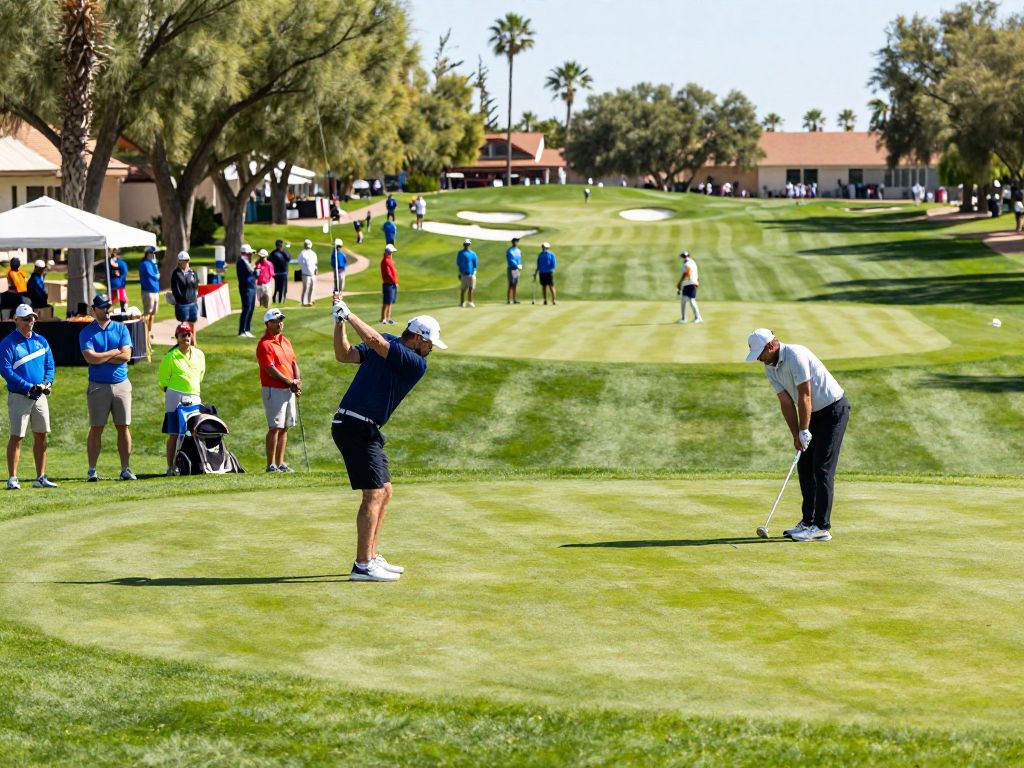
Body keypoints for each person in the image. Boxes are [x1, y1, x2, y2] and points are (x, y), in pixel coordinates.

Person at [329, 297, 447, 581]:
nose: (431, 349)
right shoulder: (389, 344)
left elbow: (376, 343)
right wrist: (339, 322)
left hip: (365, 428)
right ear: (419, 339)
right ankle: (362, 565)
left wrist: (350, 314)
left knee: (386, 490)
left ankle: (370, 554)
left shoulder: (414, 363)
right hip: (353, 425)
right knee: (374, 493)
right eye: (430, 343)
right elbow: (344, 354)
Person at [745, 329, 851, 542]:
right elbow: (786, 402)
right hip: (811, 413)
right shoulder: (770, 367)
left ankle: (821, 527)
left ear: (771, 346)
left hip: (832, 411)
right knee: (804, 466)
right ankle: (808, 521)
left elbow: (805, 395)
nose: (758, 358)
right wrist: (796, 435)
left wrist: (804, 429)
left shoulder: (796, 355)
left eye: (760, 353)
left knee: (822, 468)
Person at [80, 293, 136, 482]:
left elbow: (126, 356)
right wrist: (113, 352)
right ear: (94, 310)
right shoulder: (87, 332)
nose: (107, 310)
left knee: (123, 426)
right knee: (96, 428)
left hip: (121, 385)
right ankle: (92, 470)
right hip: (98, 386)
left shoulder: (121, 329)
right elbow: (90, 358)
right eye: (103, 307)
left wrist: (102, 356)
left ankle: (125, 468)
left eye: (108, 306)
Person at [1, 304, 57, 490]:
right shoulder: (8, 343)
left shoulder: (41, 341)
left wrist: (47, 383)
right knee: (17, 436)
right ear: (16, 320)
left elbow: (50, 365)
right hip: (19, 396)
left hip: (40, 396)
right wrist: (28, 386)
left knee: (41, 436)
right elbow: (6, 371)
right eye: (25, 319)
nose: (30, 322)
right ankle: (12, 478)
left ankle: (40, 477)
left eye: (32, 318)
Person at [158, 322, 205, 476]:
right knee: (174, 431)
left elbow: (201, 375)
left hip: (194, 395)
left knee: (194, 430)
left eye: (188, 334)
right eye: (183, 334)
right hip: (175, 395)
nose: (186, 337)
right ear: (177, 337)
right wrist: (175, 392)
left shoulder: (199, 354)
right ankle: (171, 466)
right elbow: (163, 381)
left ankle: (193, 464)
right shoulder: (170, 357)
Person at [257, 308, 300, 473]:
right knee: (274, 427)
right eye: (276, 321)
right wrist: (289, 381)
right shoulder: (264, 344)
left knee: (285, 427)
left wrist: (297, 381)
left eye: (281, 320)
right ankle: (271, 465)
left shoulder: (286, 341)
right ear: (268, 324)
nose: (280, 323)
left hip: (288, 390)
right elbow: (270, 369)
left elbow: (293, 362)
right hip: (273, 390)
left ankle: (281, 463)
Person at [171, 251, 200, 329]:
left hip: (193, 303)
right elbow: (176, 289)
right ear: (180, 261)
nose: (186, 262)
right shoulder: (176, 274)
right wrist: (182, 299)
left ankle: (194, 341)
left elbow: (196, 285)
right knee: (184, 325)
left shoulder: (193, 272)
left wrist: (194, 297)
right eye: (184, 260)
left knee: (193, 324)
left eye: (187, 260)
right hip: (183, 304)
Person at [138, 246, 161, 343]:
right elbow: (153, 275)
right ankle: (145, 332)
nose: (153, 255)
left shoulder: (152, 263)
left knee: (153, 312)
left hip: (155, 290)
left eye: (154, 253)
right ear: (147, 253)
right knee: (147, 312)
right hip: (148, 291)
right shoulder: (145, 264)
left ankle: (150, 330)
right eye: (152, 253)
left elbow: (157, 275)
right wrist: (156, 273)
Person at [236, 244, 257, 337]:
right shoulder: (241, 262)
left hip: (252, 287)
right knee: (247, 308)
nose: (251, 255)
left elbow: (254, 274)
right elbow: (245, 276)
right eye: (250, 253)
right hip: (246, 288)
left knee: (251, 308)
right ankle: (242, 330)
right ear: (246, 253)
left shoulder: (247, 262)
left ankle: (247, 329)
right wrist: (254, 272)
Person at [675, 251, 702, 324]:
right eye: (683, 256)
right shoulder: (692, 262)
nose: (684, 258)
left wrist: (679, 283)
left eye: (684, 256)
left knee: (692, 300)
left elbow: (687, 273)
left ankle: (698, 317)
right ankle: (684, 319)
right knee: (683, 300)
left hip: (691, 283)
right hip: (688, 283)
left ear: (687, 256)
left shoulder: (687, 263)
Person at [457, 238, 477, 308]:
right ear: (464, 244)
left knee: (471, 288)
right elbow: (459, 263)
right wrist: (459, 273)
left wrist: (474, 272)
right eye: (466, 244)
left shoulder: (473, 254)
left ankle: (470, 302)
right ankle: (462, 303)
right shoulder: (461, 253)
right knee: (463, 289)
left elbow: (475, 264)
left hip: (471, 273)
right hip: (463, 273)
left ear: (470, 245)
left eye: (468, 244)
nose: (467, 245)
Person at [380, 244, 398, 324]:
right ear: (387, 252)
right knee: (386, 302)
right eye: (391, 252)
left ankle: (388, 318)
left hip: (392, 284)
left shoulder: (390, 260)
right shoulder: (385, 261)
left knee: (390, 302)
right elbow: (388, 273)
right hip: (388, 284)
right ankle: (383, 318)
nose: (392, 254)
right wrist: (394, 282)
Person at [269, 239, 291, 304]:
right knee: (280, 287)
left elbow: (288, 258)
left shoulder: (274, 253)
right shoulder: (278, 253)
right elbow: (289, 258)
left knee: (280, 287)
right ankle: (279, 300)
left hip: (280, 273)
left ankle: (280, 300)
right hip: (280, 273)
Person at [298, 239, 318, 306]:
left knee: (312, 288)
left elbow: (315, 263)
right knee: (305, 288)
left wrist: (315, 270)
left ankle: (310, 301)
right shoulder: (302, 253)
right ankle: (303, 301)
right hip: (305, 274)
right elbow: (300, 263)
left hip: (312, 274)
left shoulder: (313, 253)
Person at [505, 237, 523, 304]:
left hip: (517, 269)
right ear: (512, 242)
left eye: (517, 242)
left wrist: (520, 265)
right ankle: (509, 300)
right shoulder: (510, 251)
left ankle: (515, 299)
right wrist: (517, 265)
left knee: (515, 284)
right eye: (515, 241)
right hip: (511, 269)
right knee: (511, 284)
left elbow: (519, 259)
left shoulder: (518, 250)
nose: (516, 243)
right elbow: (511, 260)